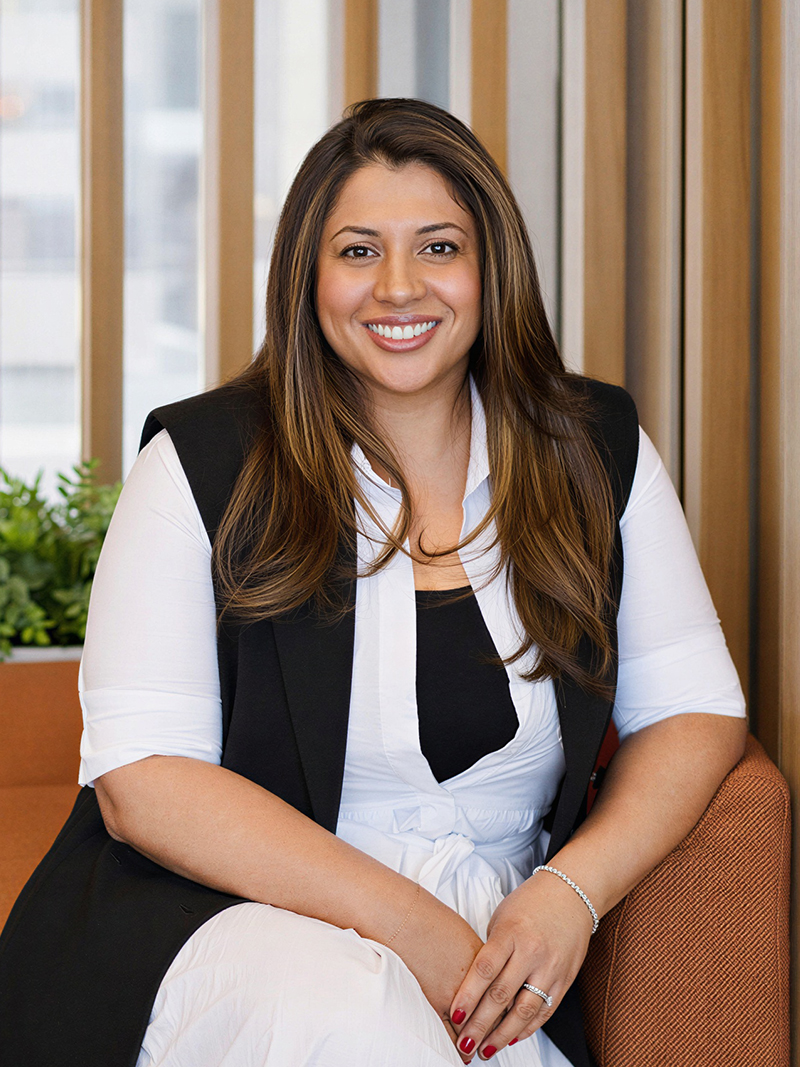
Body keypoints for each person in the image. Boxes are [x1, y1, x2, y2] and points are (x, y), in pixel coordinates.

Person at [0, 98, 746, 1067]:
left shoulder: (592, 449)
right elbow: (147, 784)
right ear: (308, 276)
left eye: (437, 247)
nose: (398, 287)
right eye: (357, 251)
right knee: (354, 1015)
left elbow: (692, 708)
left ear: (490, 269)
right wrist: (416, 932)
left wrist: (571, 890)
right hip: (222, 928)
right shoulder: (201, 459)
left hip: (493, 952)